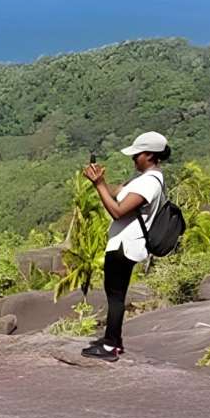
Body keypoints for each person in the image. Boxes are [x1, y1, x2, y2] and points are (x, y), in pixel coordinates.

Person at [78, 131, 174, 361]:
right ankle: (114, 340)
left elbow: (117, 210)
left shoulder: (149, 184)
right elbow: (118, 193)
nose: (134, 159)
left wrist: (99, 184)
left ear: (150, 155)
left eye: (137, 155)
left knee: (115, 296)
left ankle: (111, 346)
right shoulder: (143, 180)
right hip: (124, 244)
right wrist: (98, 181)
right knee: (114, 293)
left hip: (126, 246)